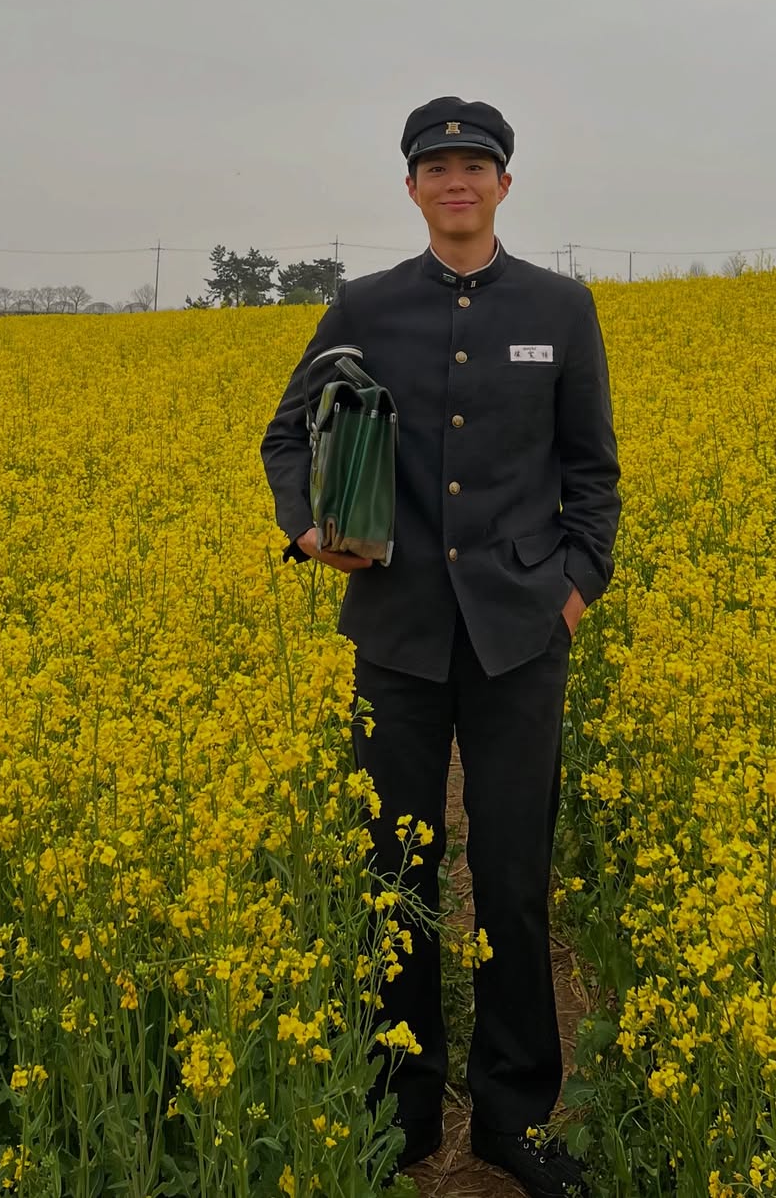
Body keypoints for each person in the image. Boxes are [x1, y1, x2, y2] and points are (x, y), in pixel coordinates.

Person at [260, 96, 621, 1198]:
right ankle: (402, 1110)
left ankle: (514, 1115)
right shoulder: (365, 306)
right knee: (395, 877)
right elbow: (286, 434)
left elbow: (592, 472)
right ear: (411, 187)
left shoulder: (560, 307)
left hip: (521, 638)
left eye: (475, 165)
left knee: (512, 881)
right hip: (398, 633)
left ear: (505, 184)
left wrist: (573, 592)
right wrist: (308, 529)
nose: (456, 181)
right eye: (436, 167)